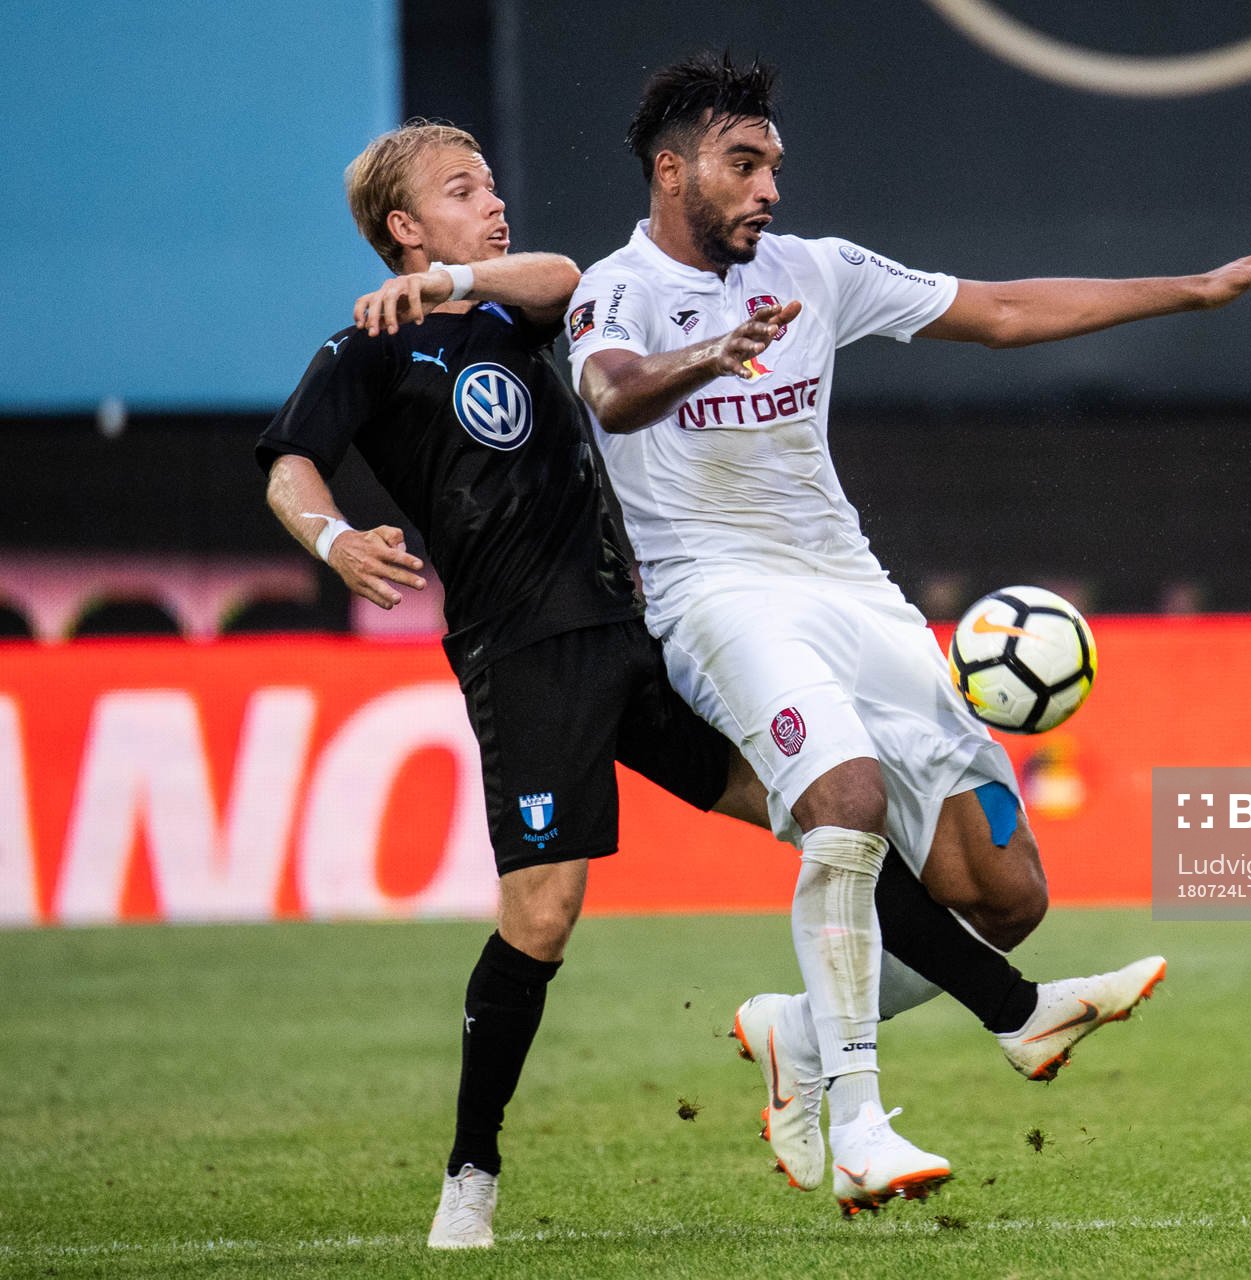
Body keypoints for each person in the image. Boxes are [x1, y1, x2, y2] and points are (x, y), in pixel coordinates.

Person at [260, 119, 1164, 1245]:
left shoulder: (515, 304)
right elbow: (291, 460)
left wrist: (454, 273)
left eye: (492, 182)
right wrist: (335, 538)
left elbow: (556, 276)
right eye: (460, 190)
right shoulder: (369, 352)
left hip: (632, 636)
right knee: (544, 916)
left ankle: (1006, 1013)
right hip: (527, 655)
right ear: (401, 225)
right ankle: (469, 1174)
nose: (493, 202)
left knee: (832, 818)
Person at [567, 52, 1251, 1215]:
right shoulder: (613, 290)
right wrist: (710, 355)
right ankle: (860, 1118)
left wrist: (1197, 289)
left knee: (1005, 887)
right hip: (720, 595)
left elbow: (1006, 310)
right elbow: (615, 391)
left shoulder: (816, 272)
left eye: (774, 161)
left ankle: (802, 1035)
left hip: (854, 592)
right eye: (744, 162)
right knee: (848, 803)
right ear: (672, 171)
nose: (771, 185)